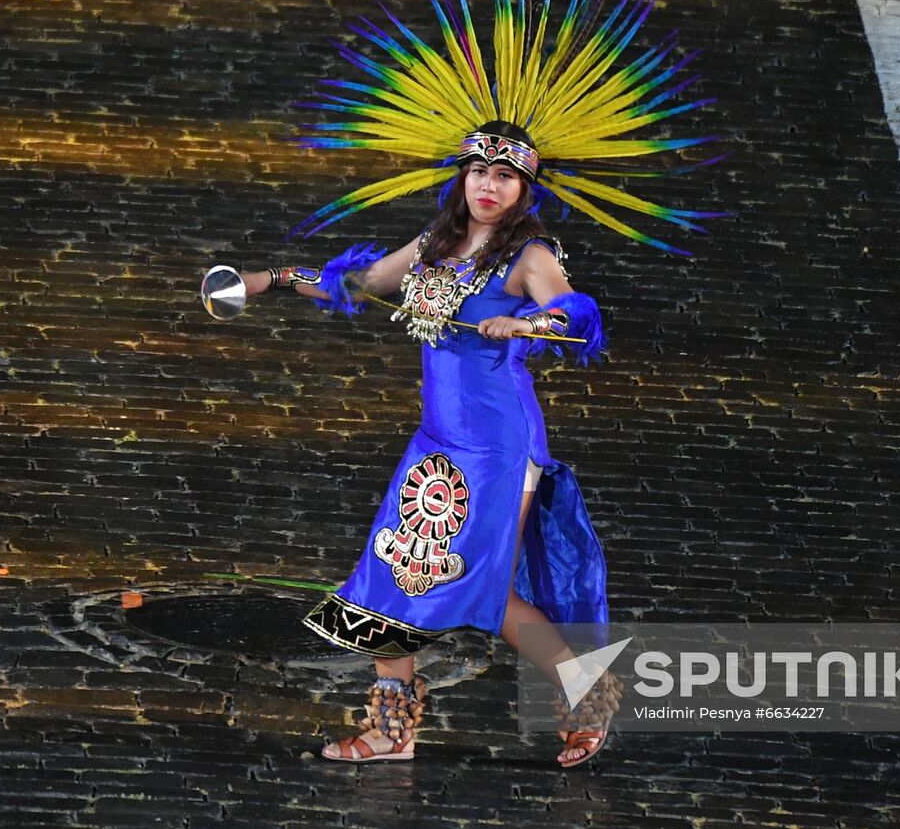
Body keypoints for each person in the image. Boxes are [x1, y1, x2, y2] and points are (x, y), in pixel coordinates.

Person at [240, 121, 619, 767]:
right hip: (438, 439)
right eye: (479, 172)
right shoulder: (434, 245)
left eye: (504, 176)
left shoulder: (530, 256)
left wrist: (526, 320)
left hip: (499, 445)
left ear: (524, 187)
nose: (488, 185)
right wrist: (273, 278)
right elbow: (359, 284)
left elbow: (572, 310)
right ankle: (392, 729)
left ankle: (588, 691)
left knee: (487, 586)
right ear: (462, 176)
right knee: (395, 567)